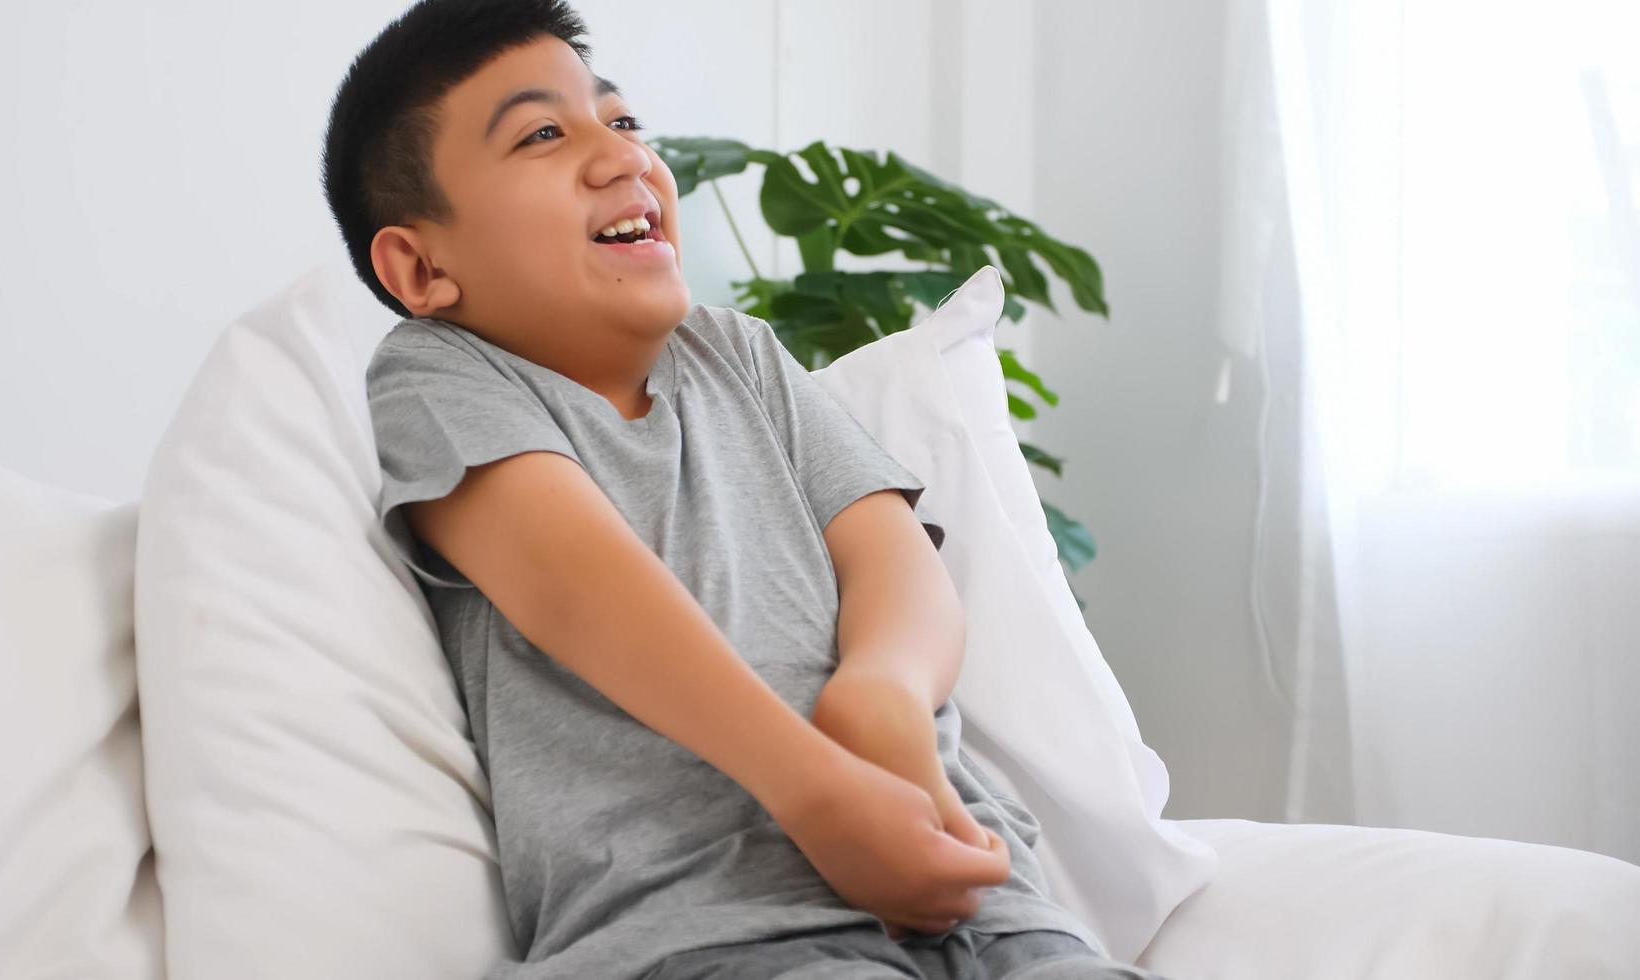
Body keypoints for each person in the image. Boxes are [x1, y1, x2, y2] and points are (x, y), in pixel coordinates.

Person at [322, 2, 1174, 978]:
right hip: (708, 926)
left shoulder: (735, 353)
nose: (619, 156)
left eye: (622, 120)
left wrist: (882, 693)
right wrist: (811, 788)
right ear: (421, 265)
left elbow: (888, 548)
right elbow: (574, 582)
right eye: (544, 134)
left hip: (987, 896)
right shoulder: (439, 376)